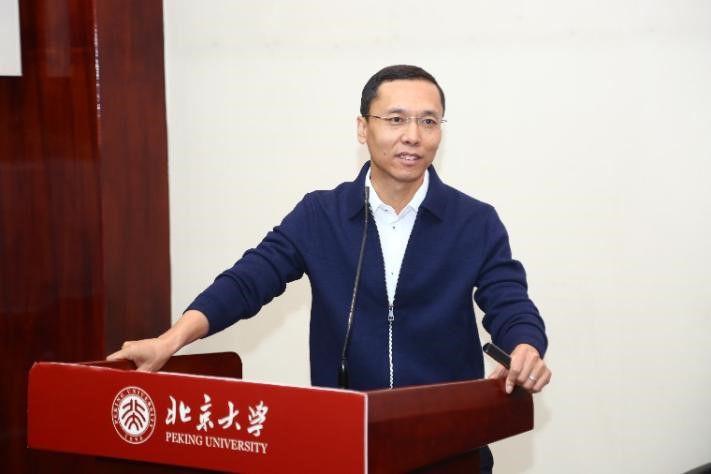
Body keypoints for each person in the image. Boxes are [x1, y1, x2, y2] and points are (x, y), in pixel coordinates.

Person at [108, 64, 551, 472]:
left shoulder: (474, 221)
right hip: (345, 444)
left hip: (451, 448)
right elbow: (247, 281)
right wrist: (171, 340)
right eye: (396, 119)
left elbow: (510, 302)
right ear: (363, 128)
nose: (413, 135)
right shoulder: (321, 215)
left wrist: (526, 346)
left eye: (428, 121)